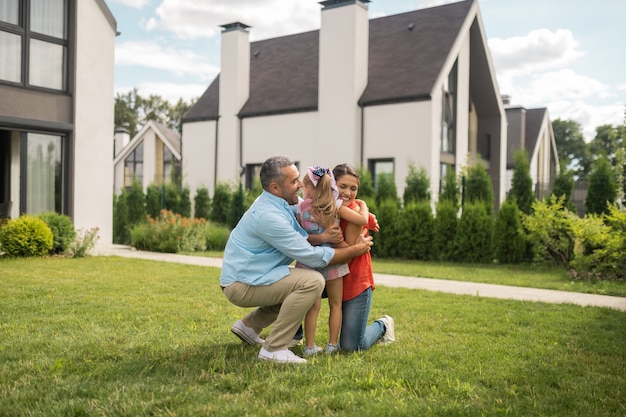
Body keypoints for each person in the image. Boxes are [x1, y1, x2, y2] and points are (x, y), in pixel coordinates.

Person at [219, 156, 373, 364]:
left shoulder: (283, 202)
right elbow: (311, 256)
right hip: (241, 284)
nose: (300, 185)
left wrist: (367, 216)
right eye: (293, 181)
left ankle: (249, 326)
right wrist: (355, 250)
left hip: (255, 275)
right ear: (275, 187)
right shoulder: (269, 216)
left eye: (299, 179)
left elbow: (315, 209)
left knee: (295, 284)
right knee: (312, 282)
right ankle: (274, 348)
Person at [333, 163, 395, 351]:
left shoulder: (358, 212)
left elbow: (348, 254)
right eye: (342, 186)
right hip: (332, 279)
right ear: (332, 185)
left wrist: (363, 206)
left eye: (353, 188)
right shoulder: (325, 209)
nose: (347, 192)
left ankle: (383, 325)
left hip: (355, 281)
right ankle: (296, 335)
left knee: (351, 346)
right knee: (299, 287)